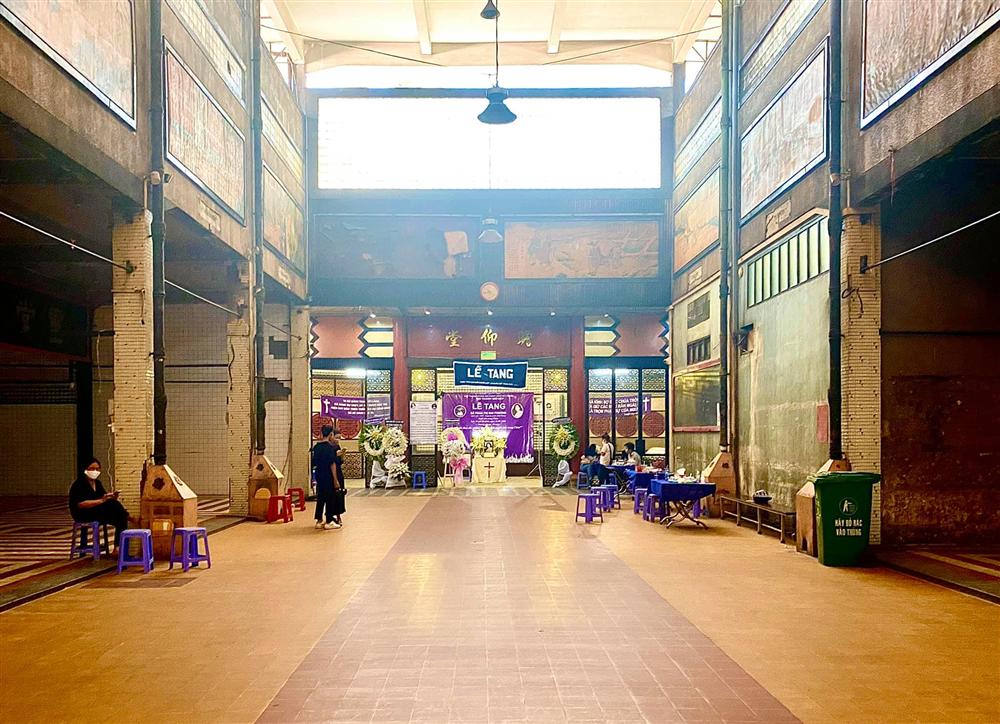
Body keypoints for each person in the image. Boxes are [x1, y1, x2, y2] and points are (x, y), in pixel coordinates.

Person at [68, 457, 130, 550]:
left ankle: (118, 548)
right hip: (83, 513)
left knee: (121, 518)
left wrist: (111, 497)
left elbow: (103, 497)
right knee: (115, 506)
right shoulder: (79, 484)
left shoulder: (97, 483)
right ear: (85, 469)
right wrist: (102, 501)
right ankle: (129, 516)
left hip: (96, 512)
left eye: (97, 469)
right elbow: (81, 504)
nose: (95, 471)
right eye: (92, 469)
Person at [311, 426, 344, 530]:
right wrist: (335, 480)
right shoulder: (330, 448)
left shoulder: (316, 447)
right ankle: (329, 521)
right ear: (331, 435)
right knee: (330, 497)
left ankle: (319, 520)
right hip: (328, 475)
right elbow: (332, 464)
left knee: (320, 497)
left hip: (319, 475)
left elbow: (314, 462)